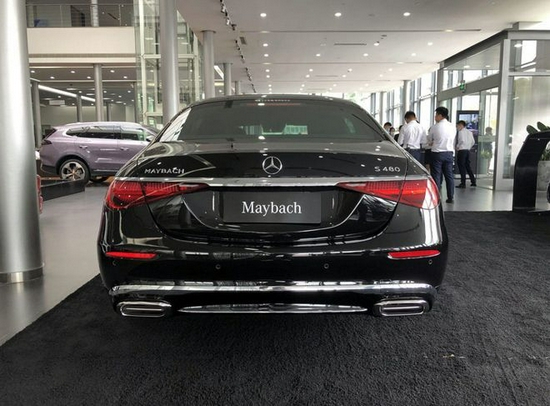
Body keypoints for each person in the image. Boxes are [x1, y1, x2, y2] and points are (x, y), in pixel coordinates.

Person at [428, 106, 456, 203]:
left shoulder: (435, 127)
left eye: (436, 115)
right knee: (449, 176)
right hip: (449, 153)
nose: (435, 117)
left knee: (436, 175)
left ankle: (436, 197)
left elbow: (429, 139)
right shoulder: (452, 126)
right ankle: (450, 197)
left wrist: (432, 142)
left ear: (440, 115)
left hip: (437, 153)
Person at [455, 120, 477, 188]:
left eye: (457, 126)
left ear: (461, 125)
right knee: (468, 166)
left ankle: (463, 183)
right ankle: (473, 181)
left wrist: (458, 146)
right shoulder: (469, 132)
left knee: (461, 167)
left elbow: (462, 140)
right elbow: (473, 142)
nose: (457, 128)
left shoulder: (461, 132)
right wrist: (468, 147)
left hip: (462, 151)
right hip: (467, 151)